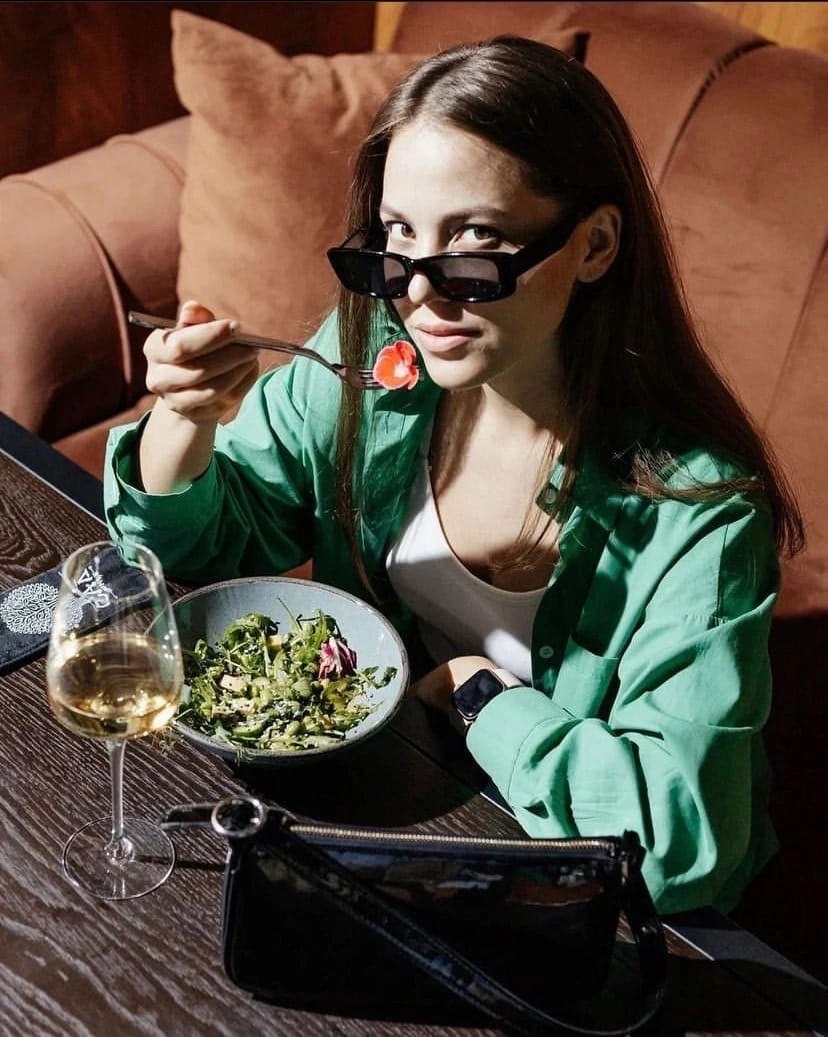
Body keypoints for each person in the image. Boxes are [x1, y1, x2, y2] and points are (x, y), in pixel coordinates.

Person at [104, 36, 804, 915]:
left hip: (571, 892)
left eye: (477, 242)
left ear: (594, 244)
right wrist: (185, 415)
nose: (419, 295)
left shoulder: (700, 515)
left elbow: (679, 842)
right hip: (391, 806)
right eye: (400, 235)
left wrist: (480, 693)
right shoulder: (375, 363)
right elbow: (190, 550)